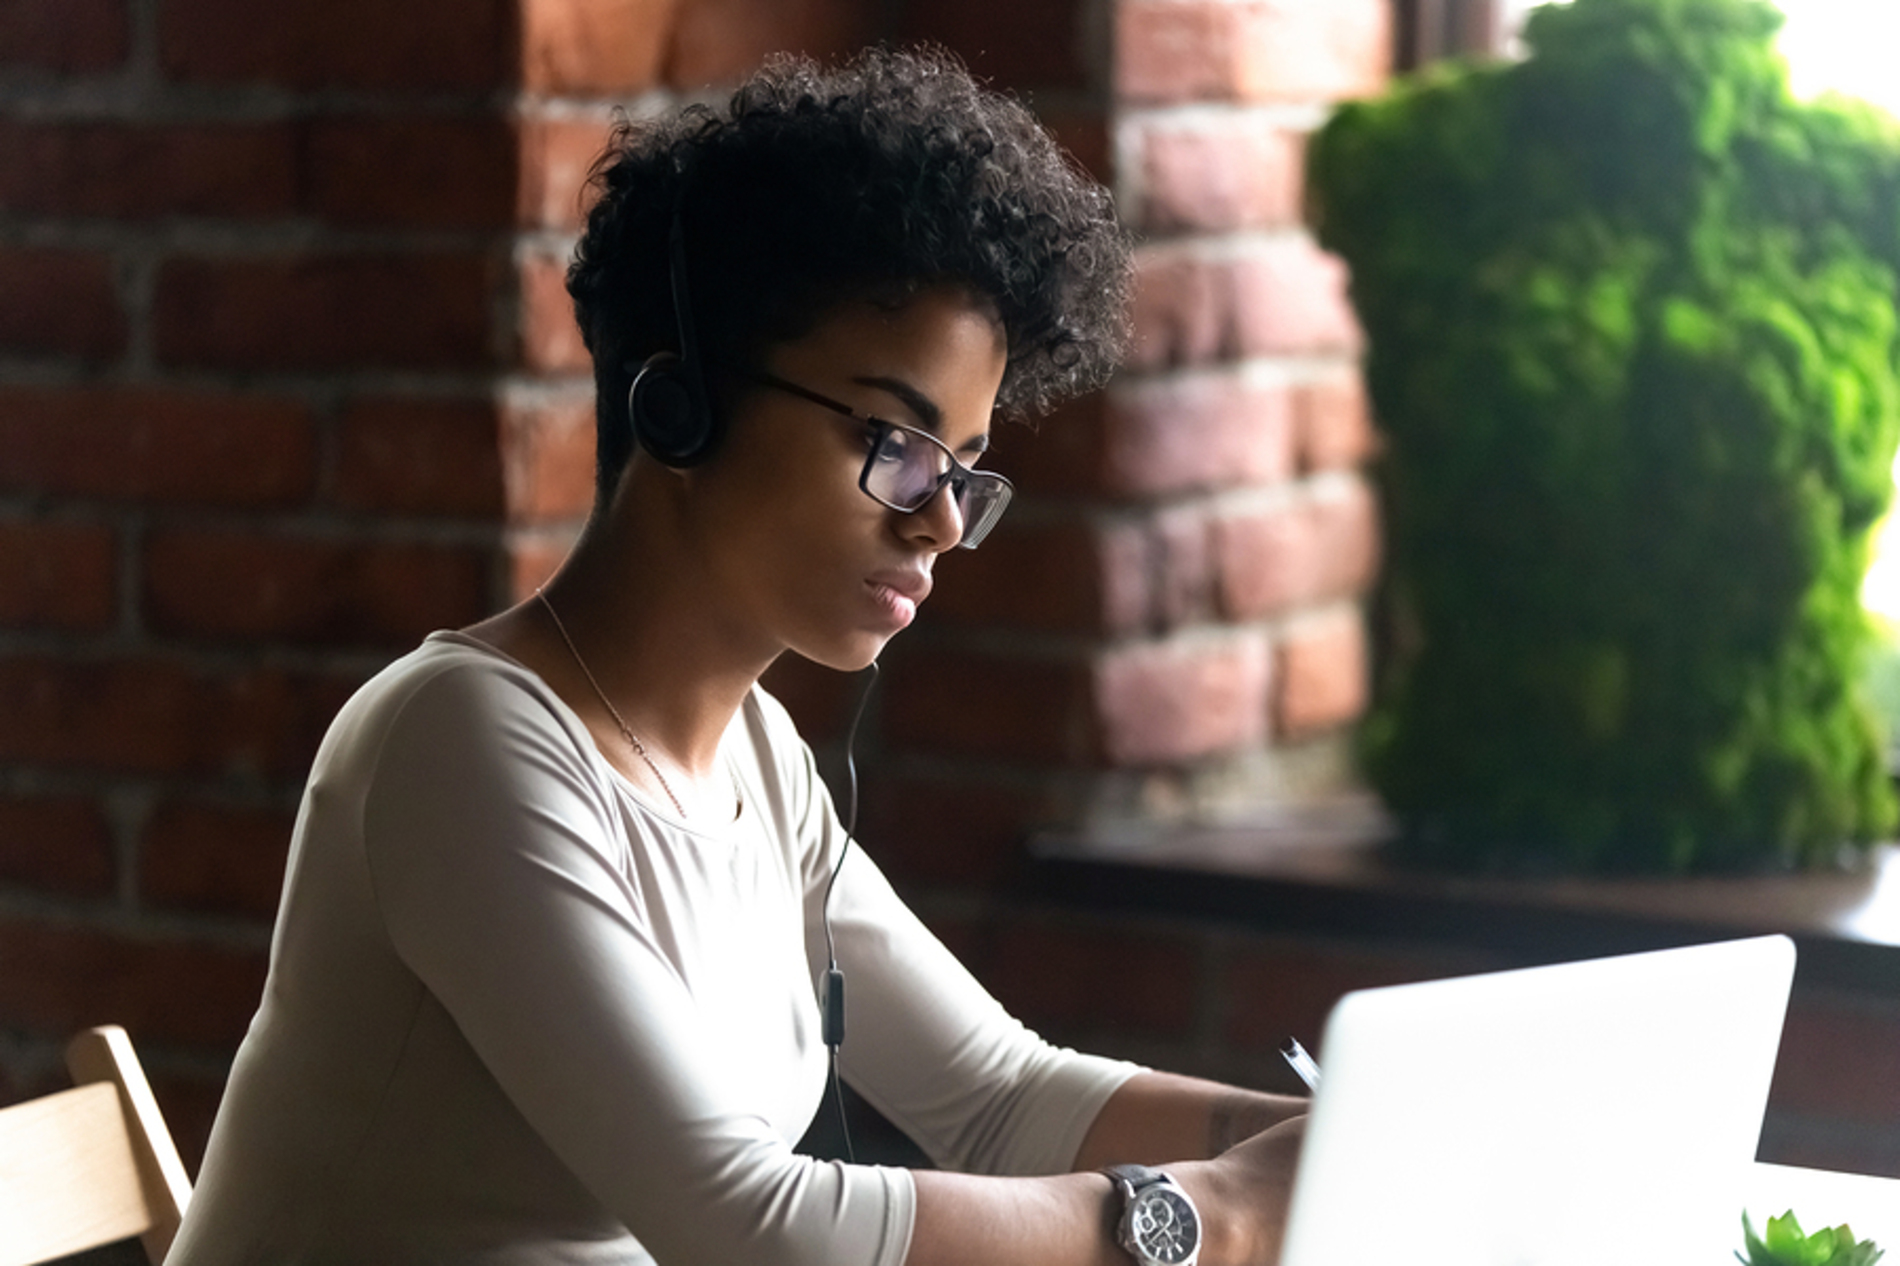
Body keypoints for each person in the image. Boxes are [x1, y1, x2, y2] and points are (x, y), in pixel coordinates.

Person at [168, 46, 1307, 1266]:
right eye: (896, 442)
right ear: (683, 405)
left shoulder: (756, 758)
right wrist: (1223, 1218)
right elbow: (750, 1225)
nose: (937, 521)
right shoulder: (459, 742)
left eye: (963, 472)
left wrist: (1322, 1142)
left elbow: (997, 1096)